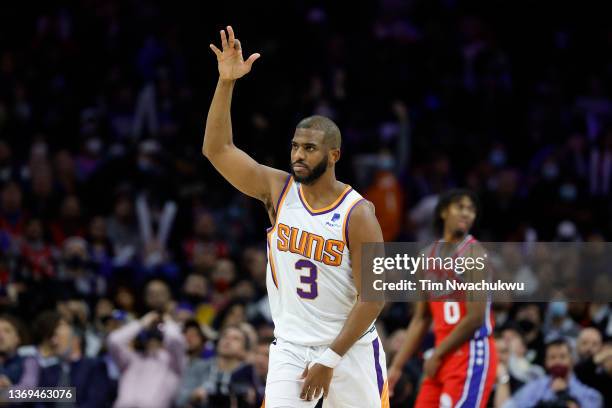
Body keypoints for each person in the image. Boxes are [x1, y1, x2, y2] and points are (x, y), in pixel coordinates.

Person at [204, 26, 388, 407]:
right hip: (289, 348)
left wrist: (331, 357)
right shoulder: (277, 190)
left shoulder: (358, 213)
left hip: (349, 350)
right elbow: (217, 150)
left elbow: (375, 296)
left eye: (309, 148)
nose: (298, 155)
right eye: (294, 146)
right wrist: (226, 83)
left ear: (334, 155)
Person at [388, 189, 497, 407]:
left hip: (470, 352)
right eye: (460, 207)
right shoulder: (425, 258)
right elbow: (421, 319)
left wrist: (437, 354)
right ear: (443, 212)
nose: (466, 213)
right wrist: (397, 366)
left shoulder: (474, 254)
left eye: (471, 209)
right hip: (441, 354)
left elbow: (475, 319)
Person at [107, 311, 186, 408]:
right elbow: (114, 340)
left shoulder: (173, 363)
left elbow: (175, 339)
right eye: (150, 337)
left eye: (157, 337)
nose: (153, 341)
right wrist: (141, 323)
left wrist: (167, 321)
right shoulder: (133, 359)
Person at [498, 338, 603, 408]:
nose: (557, 361)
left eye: (562, 356)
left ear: (572, 360)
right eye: (552, 357)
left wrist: (564, 395)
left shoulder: (589, 394)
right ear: (546, 362)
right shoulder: (534, 387)